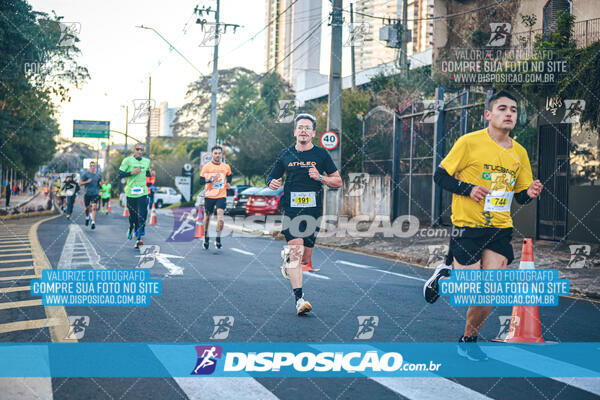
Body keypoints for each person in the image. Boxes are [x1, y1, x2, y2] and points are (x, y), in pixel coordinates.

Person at [422, 91, 543, 361]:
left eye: (513, 109)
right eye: (502, 108)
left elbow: (520, 195)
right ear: (488, 115)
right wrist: (468, 189)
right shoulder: (469, 142)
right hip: (468, 226)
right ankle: (447, 273)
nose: (509, 113)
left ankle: (468, 340)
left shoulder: (520, 153)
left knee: (490, 293)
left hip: (500, 228)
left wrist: (530, 192)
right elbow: (440, 175)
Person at [267, 113, 342, 316]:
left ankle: (288, 259)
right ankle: (299, 299)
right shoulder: (286, 154)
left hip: (314, 212)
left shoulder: (321, 155)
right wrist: (272, 183)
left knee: (304, 259)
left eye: (307, 128)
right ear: (294, 132)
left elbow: (338, 181)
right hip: (291, 211)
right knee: (297, 250)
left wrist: (321, 177)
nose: (303, 130)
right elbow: (272, 177)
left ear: (314, 133)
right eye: (300, 127)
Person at [199, 146, 232, 250]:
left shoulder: (225, 166)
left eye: (219, 153)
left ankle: (218, 238)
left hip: (221, 195)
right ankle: (206, 236)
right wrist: (209, 180)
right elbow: (200, 181)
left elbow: (230, 175)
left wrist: (229, 183)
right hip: (209, 195)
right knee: (207, 217)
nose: (217, 155)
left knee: (220, 216)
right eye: (215, 153)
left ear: (221, 154)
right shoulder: (207, 167)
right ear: (212, 155)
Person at [119, 145, 151, 248]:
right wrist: (133, 172)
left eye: (142, 149)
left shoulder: (147, 162)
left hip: (143, 192)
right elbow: (120, 174)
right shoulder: (127, 161)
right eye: (137, 149)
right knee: (133, 215)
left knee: (142, 214)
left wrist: (150, 174)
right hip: (131, 193)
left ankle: (139, 238)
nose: (139, 151)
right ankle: (131, 226)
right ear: (134, 150)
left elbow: (147, 172)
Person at [80, 161, 102, 230]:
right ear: (89, 167)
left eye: (94, 166)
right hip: (87, 193)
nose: (93, 167)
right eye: (91, 166)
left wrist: (101, 184)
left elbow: (101, 183)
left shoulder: (98, 175)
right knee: (87, 208)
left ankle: (93, 222)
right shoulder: (86, 174)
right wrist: (87, 182)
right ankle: (87, 217)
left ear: (95, 167)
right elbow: (80, 183)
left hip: (95, 193)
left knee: (94, 206)